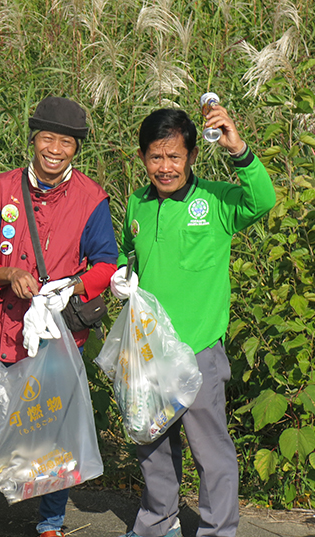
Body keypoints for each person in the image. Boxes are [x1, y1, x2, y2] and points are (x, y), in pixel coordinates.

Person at [110, 105, 276, 537]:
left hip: (198, 347)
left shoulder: (217, 201)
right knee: (152, 445)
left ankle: (219, 530)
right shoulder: (138, 204)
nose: (164, 168)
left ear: (191, 157)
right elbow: (130, 252)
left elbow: (263, 199)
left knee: (210, 451)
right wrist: (121, 276)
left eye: (174, 157)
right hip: (147, 351)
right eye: (154, 157)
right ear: (143, 157)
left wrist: (238, 148)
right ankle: (157, 523)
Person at [0, 96, 118, 537]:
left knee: (54, 430)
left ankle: (50, 522)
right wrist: (7, 272)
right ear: (33, 139)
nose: (55, 149)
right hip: (4, 330)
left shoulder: (92, 198)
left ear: (77, 148)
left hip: (58, 335)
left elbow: (106, 264)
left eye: (67, 142)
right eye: (47, 138)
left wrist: (70, 287)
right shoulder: (1, 189)